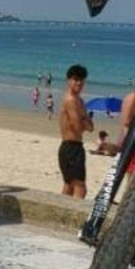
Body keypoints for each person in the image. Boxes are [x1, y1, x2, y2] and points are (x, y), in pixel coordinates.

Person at [57, 64, 93, 198]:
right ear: (68, 80)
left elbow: (91, 127)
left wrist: (82, 120)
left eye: (81, 80)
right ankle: (74, 217)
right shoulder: (70, 100)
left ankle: (60, 214)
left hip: (74, 147)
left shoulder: (80, 101)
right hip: (70, 147)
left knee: (69, 186)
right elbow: (79, 128)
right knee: (80, 188)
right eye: (76, 79)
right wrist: (83, 120)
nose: (79, 83)